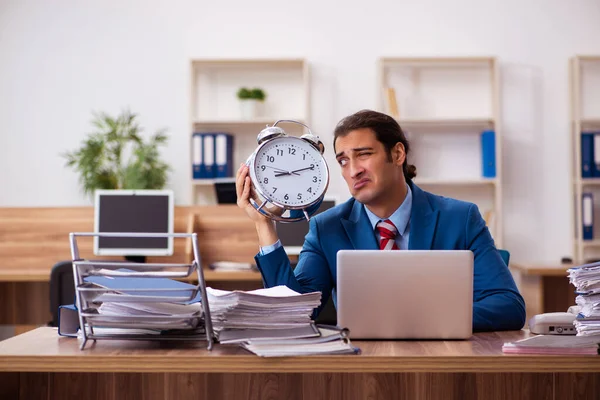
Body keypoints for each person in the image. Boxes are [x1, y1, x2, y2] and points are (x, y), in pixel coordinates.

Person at [236, 109, 526, 332]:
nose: (353, 170)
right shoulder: (326, 228)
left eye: (363, 155)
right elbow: (294, 314)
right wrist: (264, 225)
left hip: (442, 363)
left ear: (397, 153)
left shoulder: (460, 218)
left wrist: (424, 319)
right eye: (343, 161)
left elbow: (508, 306)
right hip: (365, 369)